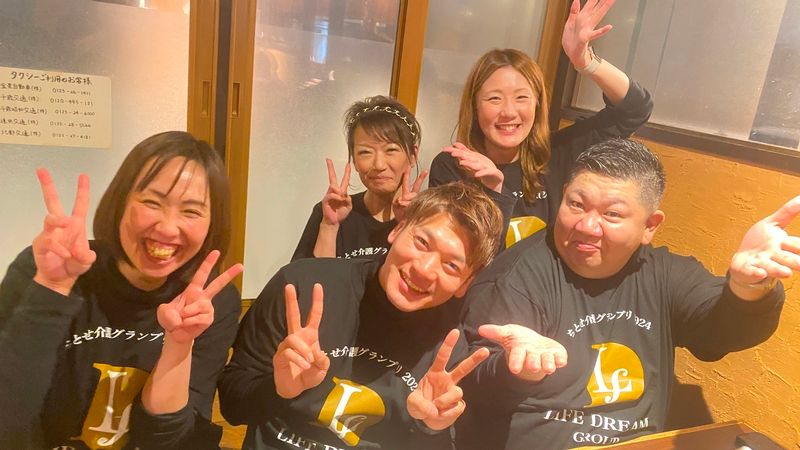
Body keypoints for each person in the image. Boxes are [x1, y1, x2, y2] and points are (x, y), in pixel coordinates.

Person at [455, 138, 794, 449]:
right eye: (576, 204)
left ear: (650, 226)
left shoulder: (665, 274)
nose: (587, 226)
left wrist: (748, 288)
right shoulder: (514, 279)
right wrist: (516, 369)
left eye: (612, 214)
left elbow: (720, 331)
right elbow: (469, 385)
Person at [0, 131, 244, 449]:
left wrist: (179, 346)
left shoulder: (211, 300)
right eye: (152, 202)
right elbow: (8, 415)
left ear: (213, 222)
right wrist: (52, 287)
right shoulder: (46, 268)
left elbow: (172, 440)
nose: (168, 228)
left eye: (191, 211)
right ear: (121, 202)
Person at [219, 182, 503, 450]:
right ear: (397, 230)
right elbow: (232, 406)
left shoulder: (448, 349)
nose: (424, 269)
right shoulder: (302, 286)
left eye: (451, 265)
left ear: (466, 284)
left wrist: (429, 427)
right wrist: (278, 389)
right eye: (421, 242)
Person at [428, 0, 653, 249]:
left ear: (537, 104)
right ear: (474, 105)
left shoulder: (559, 152)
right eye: (494, 99)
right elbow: (461, 255)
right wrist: (495, 190)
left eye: (521, 98)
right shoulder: (452, 168)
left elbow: (635, 110)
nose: (509, 112)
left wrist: (585, 61)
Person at [292, 95, 428, 261]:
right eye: (365, 152)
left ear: (413, 155)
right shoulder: (330, 212)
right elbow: (308, 276)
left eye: (391, 150)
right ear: (354, 160)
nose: (379, 165)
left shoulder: (429, 218)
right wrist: (329, 226)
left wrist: (410, 225)